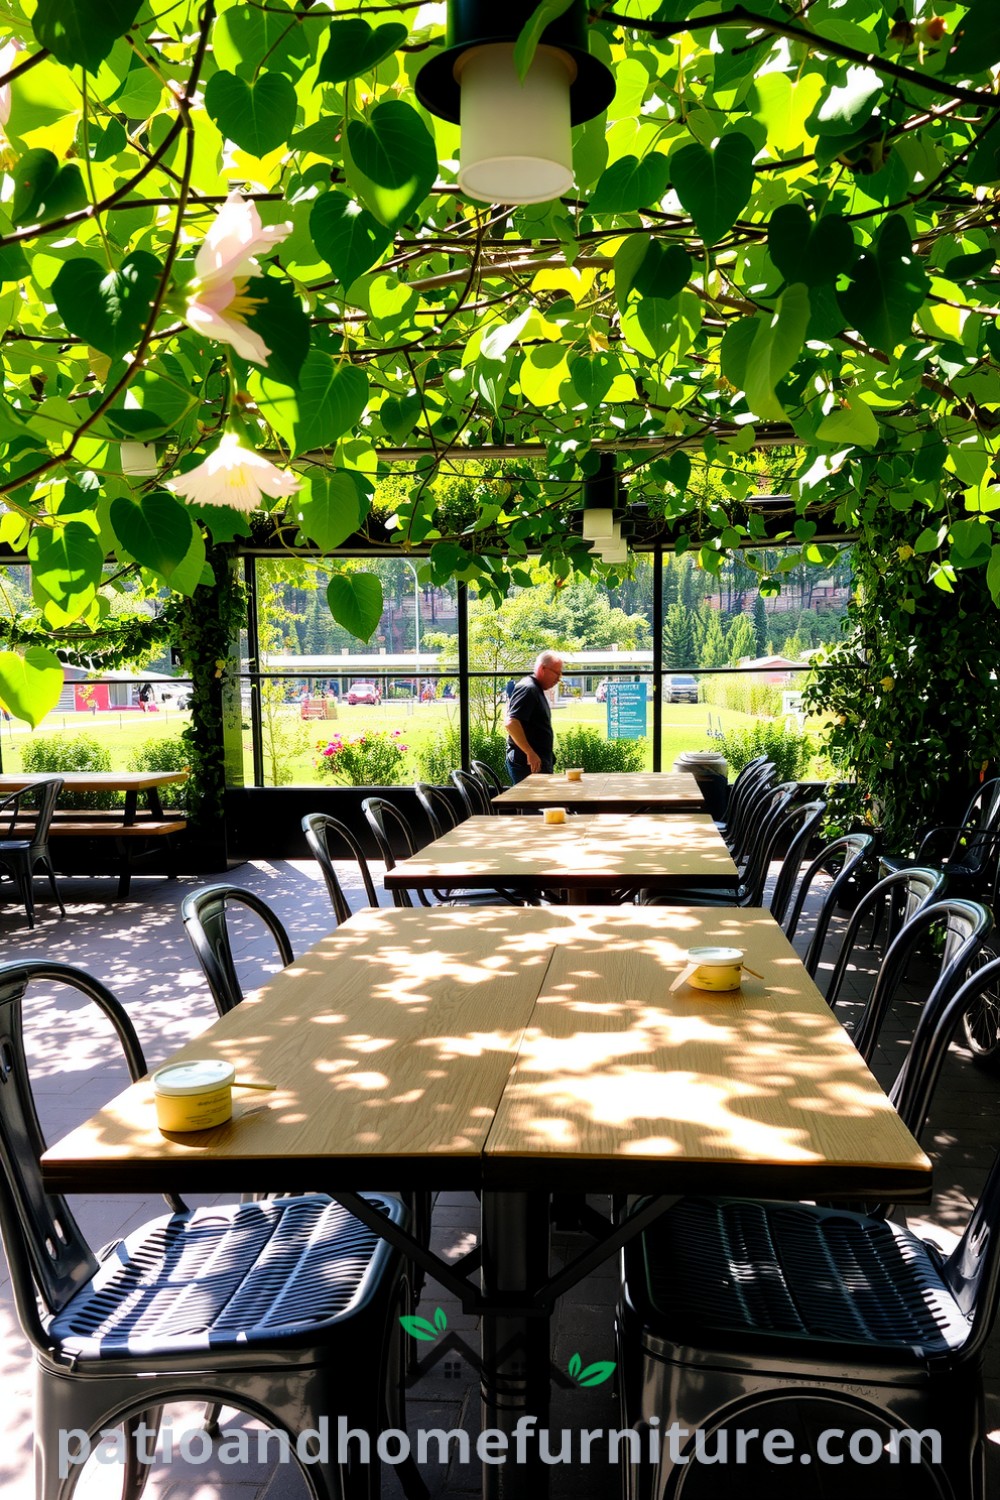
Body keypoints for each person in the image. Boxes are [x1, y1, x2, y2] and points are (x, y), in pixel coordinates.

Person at [504, 651, 562, 783]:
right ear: (543, 669)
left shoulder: (535, 689)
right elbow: (511, 722)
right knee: (531, 803)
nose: (558, 678)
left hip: (534, 763)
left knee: (539, 803)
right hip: (528, 765)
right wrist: (530, 752)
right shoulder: (528, 689)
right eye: (557, 673)